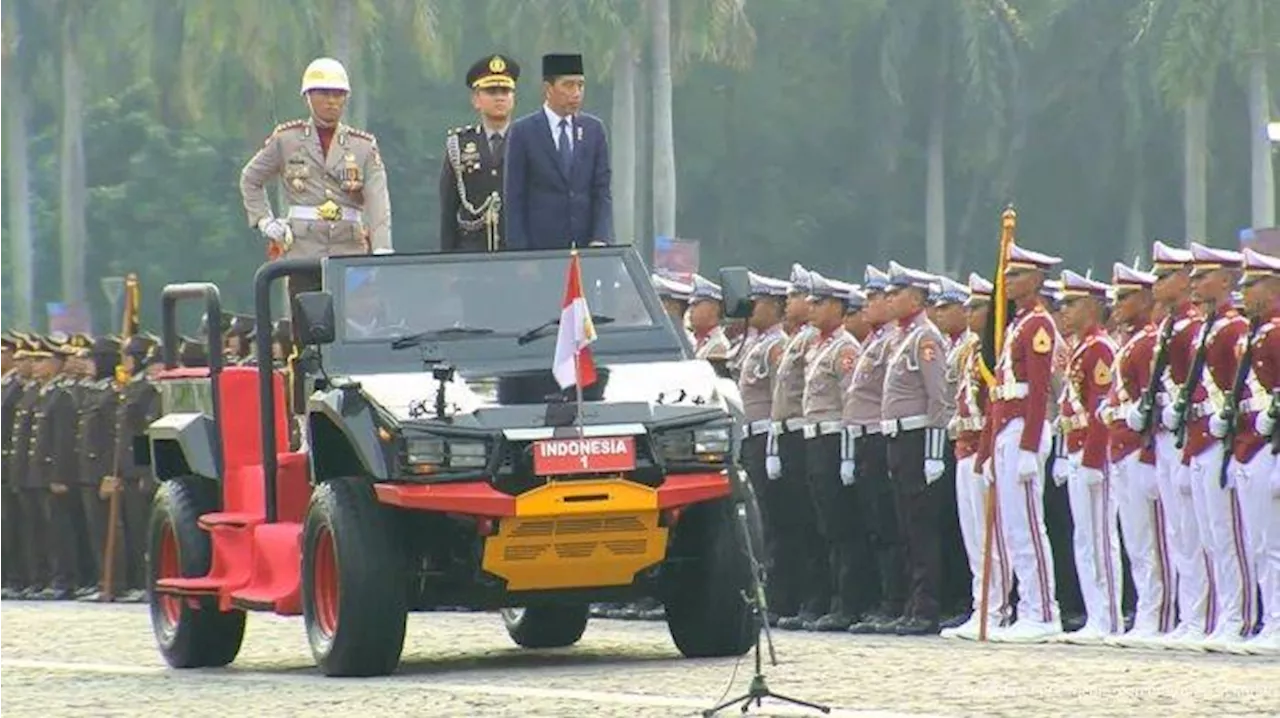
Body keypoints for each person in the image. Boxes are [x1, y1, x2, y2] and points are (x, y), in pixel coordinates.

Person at [239, 56, 392, 323]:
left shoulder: (363, 146)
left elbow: (379, 201)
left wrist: (381, 249)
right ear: (308, 97)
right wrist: (265, 221)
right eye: (323, 94)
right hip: (303, 249)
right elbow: (251, 179)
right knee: (308, 327)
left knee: (356, 323)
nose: (332, 101)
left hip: (349, 248)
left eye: (338, 94)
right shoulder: (287, 139)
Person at [983, 243, 1064, 643]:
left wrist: (1031, 445)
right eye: (1008, 274)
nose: (1008, 281)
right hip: (1006, 428)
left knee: (1030, 526)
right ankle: (1027, 606)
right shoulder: (1016, 325)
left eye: (1016, 275)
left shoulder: (1038, 325)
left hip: (1024, 429)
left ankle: (1044, 610)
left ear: (1036, 280)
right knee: (1015, 529)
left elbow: (1038, 391)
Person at [1181, 242, 1256, 652]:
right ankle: (1224, 615)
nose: (1194, 283)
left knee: (1233, 535)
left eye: (1202, 276)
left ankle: (1240, 616)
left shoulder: (1233, 328)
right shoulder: (1207, 328)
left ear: (1226, 281)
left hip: (1226, 438)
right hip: (1201, 438)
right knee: (1210, 536)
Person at [1104, 262, 1176, 648]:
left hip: (1140, 448)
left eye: (1125, 296)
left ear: (1146, 298)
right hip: (1121, 445)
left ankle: (1159, 612)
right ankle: (1148, 611)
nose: (1117, 305)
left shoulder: (1149, 340)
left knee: (1153, 537)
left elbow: (1153, 400)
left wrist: (1149, 457)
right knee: (1135, 537)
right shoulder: (1132, 340)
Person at [879, 262, 953, 635]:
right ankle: (912, 602)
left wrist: (933, 452)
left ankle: (926, 607)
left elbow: (938, 397)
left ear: (917, 298)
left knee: (921, 526)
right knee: (905, 525)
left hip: (916, 438)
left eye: (897, 294)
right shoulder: (900, 337)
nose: (889, 301)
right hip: (896, 437)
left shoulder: (926, 338)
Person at [1055, 269, 1123, 644]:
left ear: (1093, 307)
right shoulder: (1081, 346)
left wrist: (1095, 458)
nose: (1064, 311)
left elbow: (1101, 409)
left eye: (1071, 304)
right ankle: (1095, 613)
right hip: (1075, 448)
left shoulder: (1100, 348)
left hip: (1094, 453)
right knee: (1085, 537)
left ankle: (1109, 615)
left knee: (1100, 536)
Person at [800, 271, 870, 632]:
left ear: (839, 308)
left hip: (833, 441)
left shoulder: (845, 349)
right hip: (814, 439)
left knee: (843, 526)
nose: (811, 309)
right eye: (810, 302)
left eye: (820, 303)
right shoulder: (818, 345)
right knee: (824, 524)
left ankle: (849, 602)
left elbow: (850, 406)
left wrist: (846, 455)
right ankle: (832, 599)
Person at [843, 265, 907, 635]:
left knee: (892, 525)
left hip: (887, 436)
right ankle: (885, 600)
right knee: (875, 525)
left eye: (874, 298)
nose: (868, 306)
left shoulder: (897, 341)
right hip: (867, 436)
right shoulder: (877, 341)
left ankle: (896, 601)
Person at [503, 53, 612, 250]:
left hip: (586, 251)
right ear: (548, 88)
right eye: (568, 85)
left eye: (580, 85)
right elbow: (514, 199)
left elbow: (602, 191)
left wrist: (600, 238)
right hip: (541, 253)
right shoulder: (524, 132)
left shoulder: (593, 131)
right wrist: (521, 255)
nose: (576, 93)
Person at [1237, 247, 1280, 654]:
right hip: (1252, 441)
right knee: (1262, 542)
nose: (1244, 292)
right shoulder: (1257, 330)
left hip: (1271, 442)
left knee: (1274, 542)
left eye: (1252, 284)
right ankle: (1271, 620)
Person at [440, 54, 521, 253]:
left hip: (517, 254)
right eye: (492, 91)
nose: (500, 97)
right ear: (476, 99)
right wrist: (447, 263)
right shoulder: (459, 144)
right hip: (471, 254)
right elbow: (449, 210)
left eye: (506, 91)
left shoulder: (527, 141)